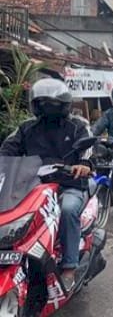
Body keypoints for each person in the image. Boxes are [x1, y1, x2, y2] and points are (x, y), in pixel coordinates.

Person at [0, 79, 94, 290]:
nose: (48, 108)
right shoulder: (26, 128)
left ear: (64, 105)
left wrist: (84, 163)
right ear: (36, 105)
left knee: (68, 209)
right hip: (34, 184)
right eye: (43, 104)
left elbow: (88, 147)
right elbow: (7, 150)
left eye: (53, 104)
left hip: (68, 183)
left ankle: (69, 266)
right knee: (12, 213)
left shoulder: (78, 125)